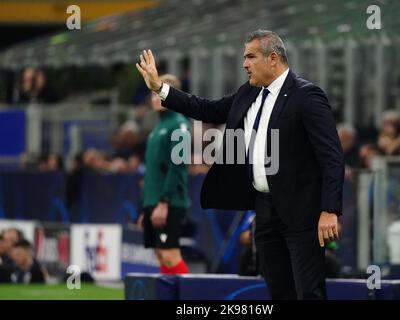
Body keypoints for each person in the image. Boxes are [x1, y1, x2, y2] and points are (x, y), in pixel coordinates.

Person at [136, 30, 344, 299]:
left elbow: (332, 156)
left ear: (273, 58)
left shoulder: (307, 95)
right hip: (264, 211)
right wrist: (160, 88)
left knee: (309, 292)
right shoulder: (249, 93)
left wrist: (329, 209)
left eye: (250, 57)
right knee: (279, 293)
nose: (244, 64)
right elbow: (207, 109)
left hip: (302, 213)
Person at [137, 74, 191, 275]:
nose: (154, 98)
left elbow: (177, 168)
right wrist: (147, 207)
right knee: (160, 255)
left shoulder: (179, 125)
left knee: (170, 255)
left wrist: (164, 202)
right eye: (152, 93)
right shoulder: (157, 127)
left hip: (169, 202)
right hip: (155, 203)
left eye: (159, 92)